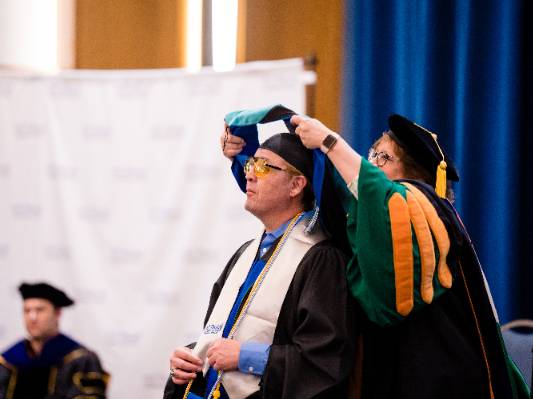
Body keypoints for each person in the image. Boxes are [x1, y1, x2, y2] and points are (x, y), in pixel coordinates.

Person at [281, 113, 529, 398]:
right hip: (393, 362)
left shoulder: (426, 207)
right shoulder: (376, 212)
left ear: (417, 174)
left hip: (443, 371)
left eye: (383, 158)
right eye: (371, 154)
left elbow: (380, 195)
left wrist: (330, 142)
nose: (372, 163)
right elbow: (339, 200)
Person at [164, 122, 356, 398]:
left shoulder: (321, 259)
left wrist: (246, 357)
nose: (250, 175)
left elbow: (324, 362)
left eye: (264, 167)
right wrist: (190, 359)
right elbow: (228, 335)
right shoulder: (245, 253)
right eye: (251, 164)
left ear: (296, 185)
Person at [0, 282, 109, 399]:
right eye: (27, 311)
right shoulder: (9, 359)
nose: (32, 317)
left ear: (57, 313)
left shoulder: (82, 360)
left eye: (40, 310)